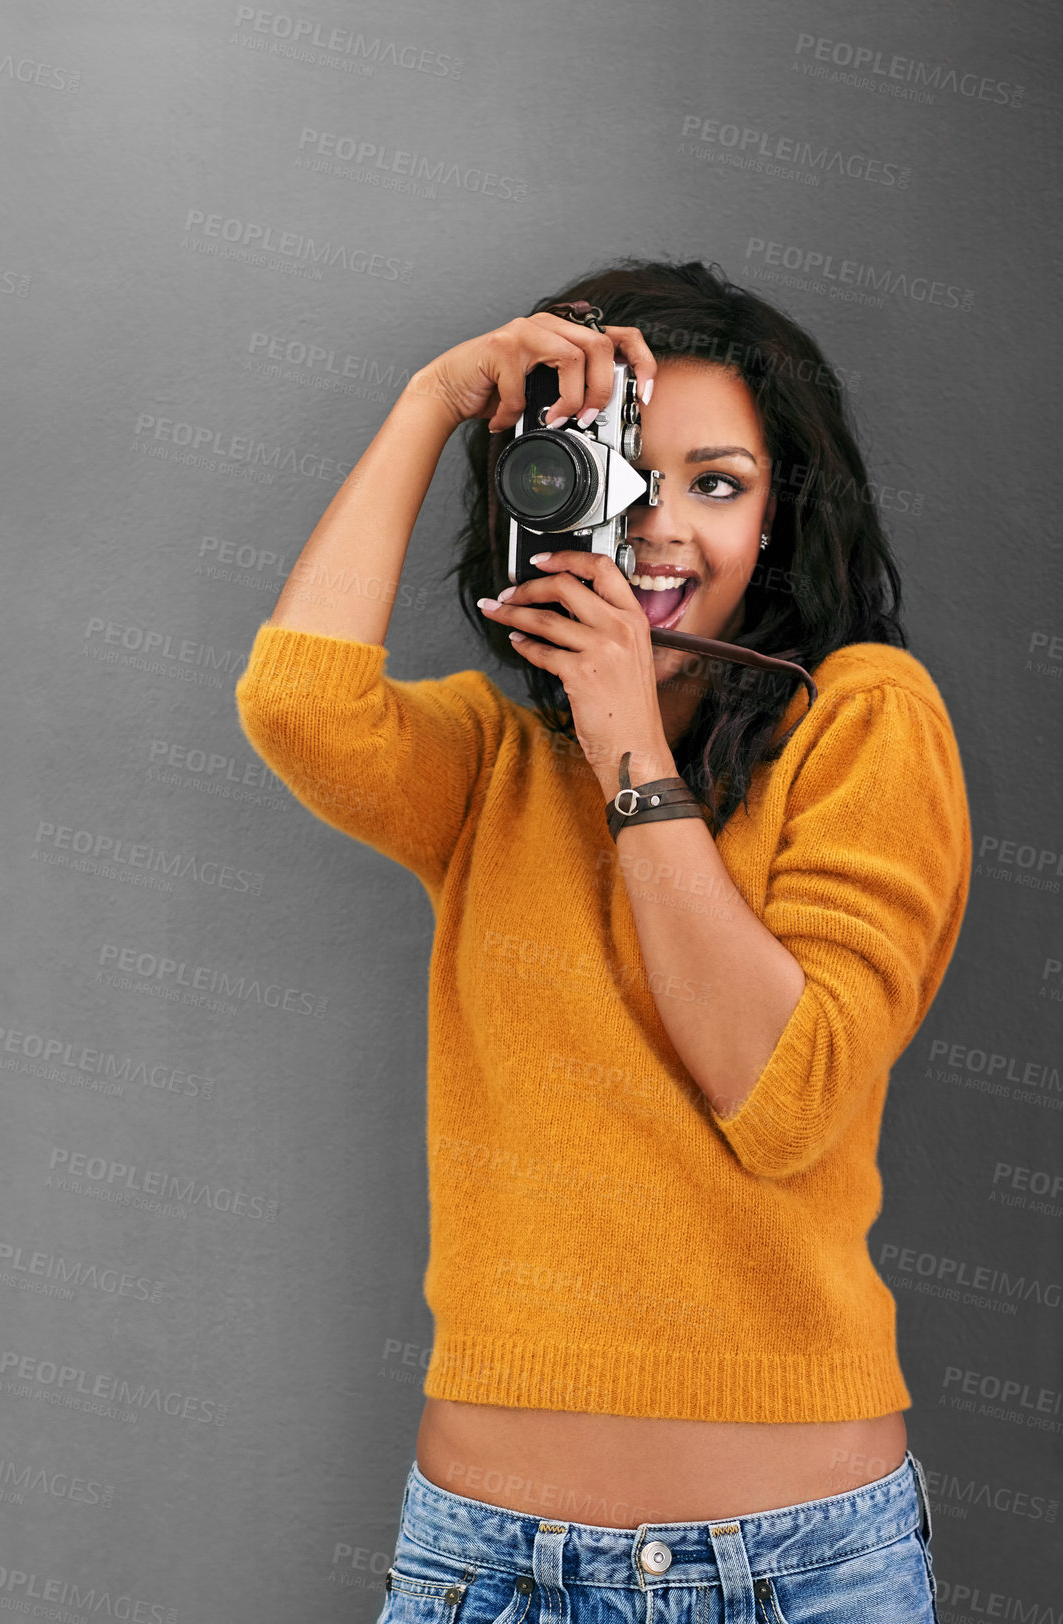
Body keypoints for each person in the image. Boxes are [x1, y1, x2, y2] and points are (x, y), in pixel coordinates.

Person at [235, 259, 968, 1622]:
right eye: (623, 476)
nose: (661, 533)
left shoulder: (862, 718)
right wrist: (432, 399)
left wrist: (631, 744)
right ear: (544, 496)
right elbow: (299, 707)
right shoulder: (490, 767)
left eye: (718, 484)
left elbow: (785, 1091)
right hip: (484, 1567)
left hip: (790, 1572)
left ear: (780, 518)